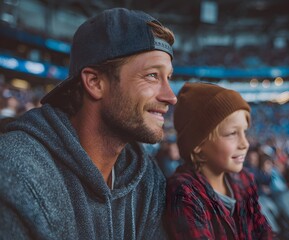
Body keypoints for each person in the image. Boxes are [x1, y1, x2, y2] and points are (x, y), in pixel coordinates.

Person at [0, 8, 177, 239]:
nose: (170, 96)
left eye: (169, 78)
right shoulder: (16, 174)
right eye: (152, 75)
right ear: (94, 82)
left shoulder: (147, 180)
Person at [165, 82, 273, 239]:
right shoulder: (184, 192)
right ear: (198, 144)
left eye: (244, 132)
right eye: (232, 133)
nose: (245, 143)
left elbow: (264, 231)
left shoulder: (245, 179)